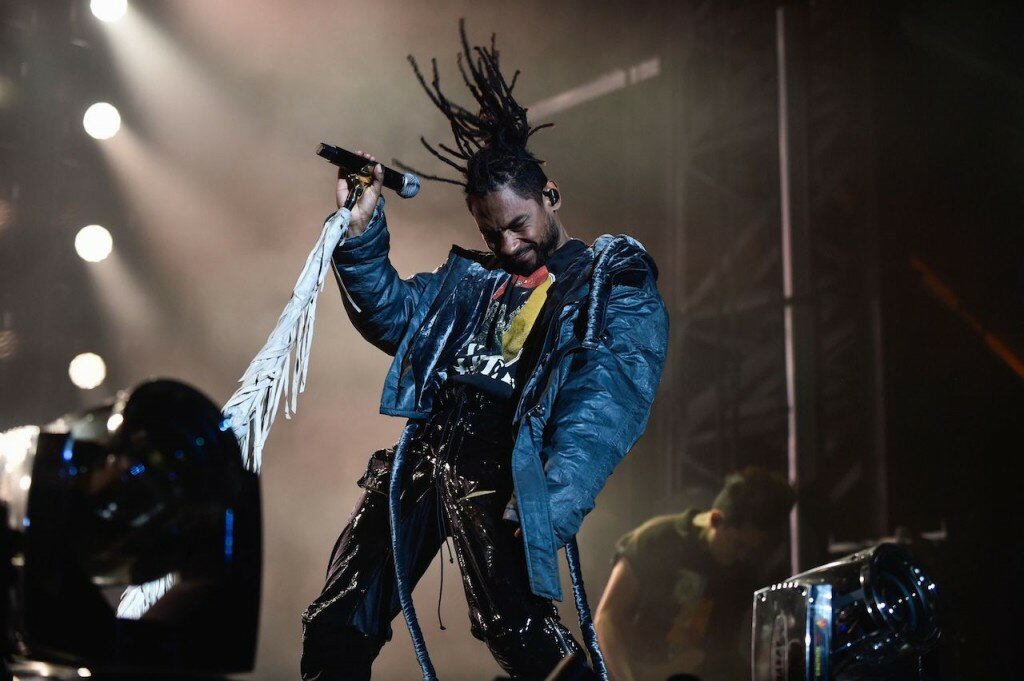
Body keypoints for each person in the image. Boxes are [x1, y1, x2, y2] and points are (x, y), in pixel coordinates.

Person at [299, 22, 669, 681]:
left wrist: (557, 495)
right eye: (491, 231)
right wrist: (358, 233)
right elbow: (392, 314)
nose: (507, 243)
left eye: (519, 224)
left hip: (500, 465)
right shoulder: (476, 285)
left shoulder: (604, 282)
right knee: (336, 619)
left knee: (518, 633)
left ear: (550, 198)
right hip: (422, 455)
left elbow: (609, 390)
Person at [594, 467, 796, 681]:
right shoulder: (658, 539)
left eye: (752, 550)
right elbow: (607, 618)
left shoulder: (743, 576)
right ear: (716, 519)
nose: (743, 557)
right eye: (739, 545)